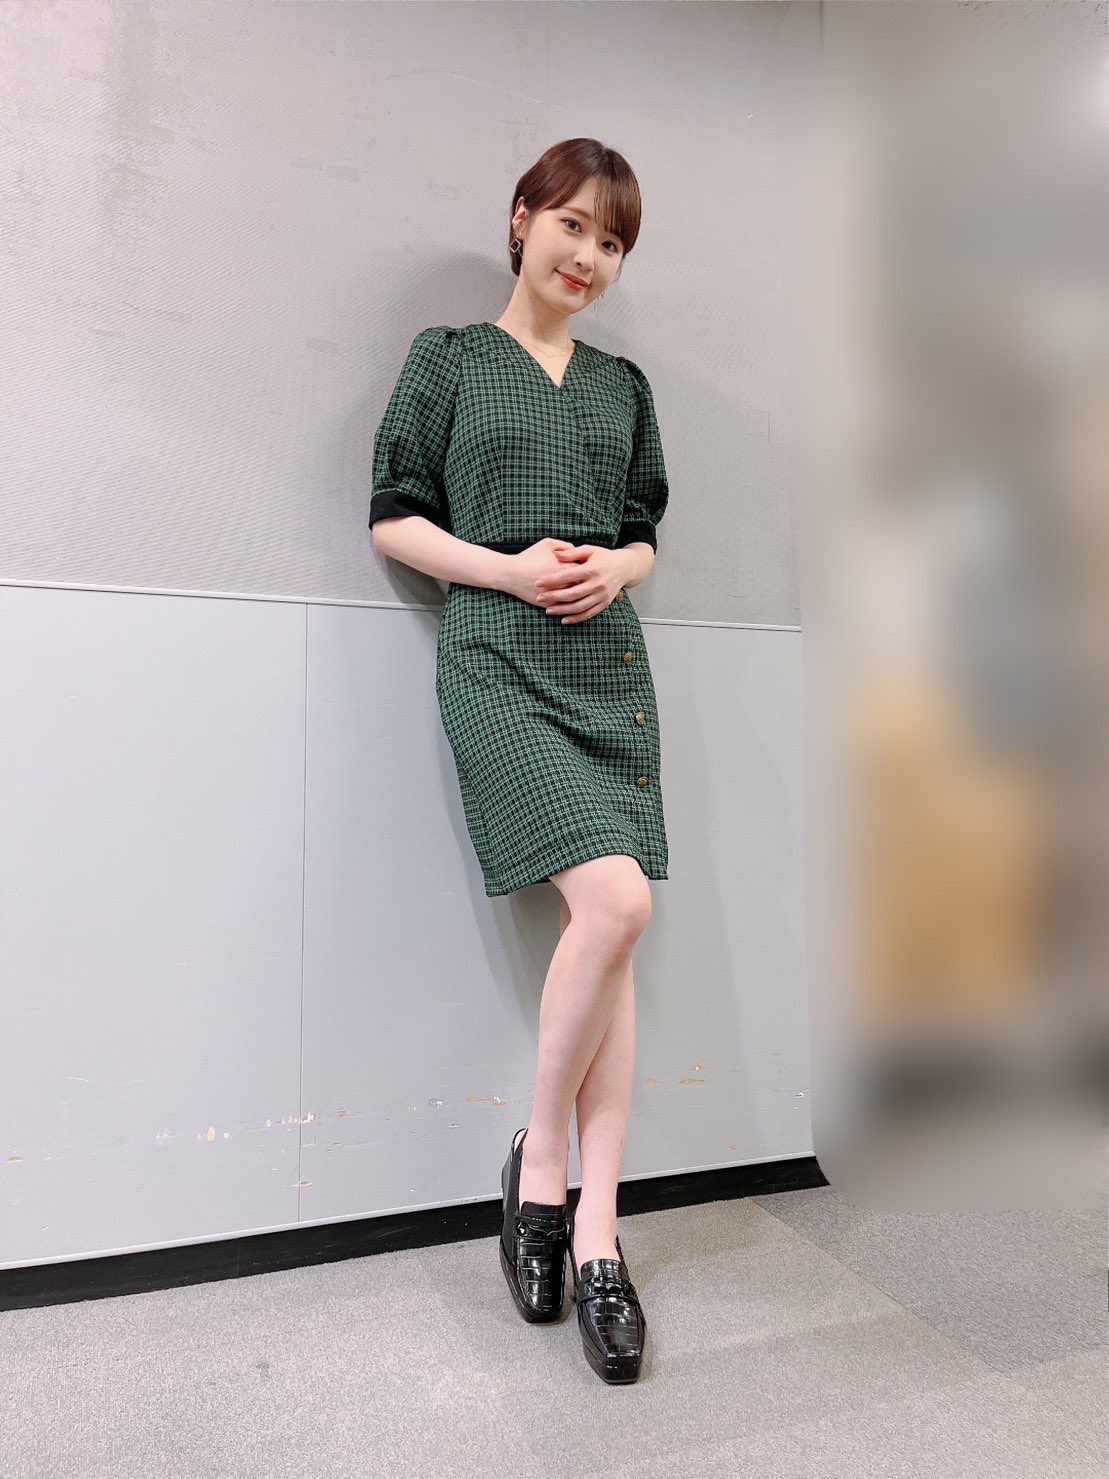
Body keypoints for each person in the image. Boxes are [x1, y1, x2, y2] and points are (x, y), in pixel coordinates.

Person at [368, 138, 670, 1384]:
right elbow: (392, 514)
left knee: (611, 928)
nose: (588, 257)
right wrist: (503, 569)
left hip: (605, 669)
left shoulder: (622, 387)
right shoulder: (445, 359)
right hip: (494, 657)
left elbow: (644, 528)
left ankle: (592, 1228)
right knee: (618, 905)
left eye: (612, 242)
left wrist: (616, 569)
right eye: (574, 226)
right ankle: (541, 1165)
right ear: (520, 221)